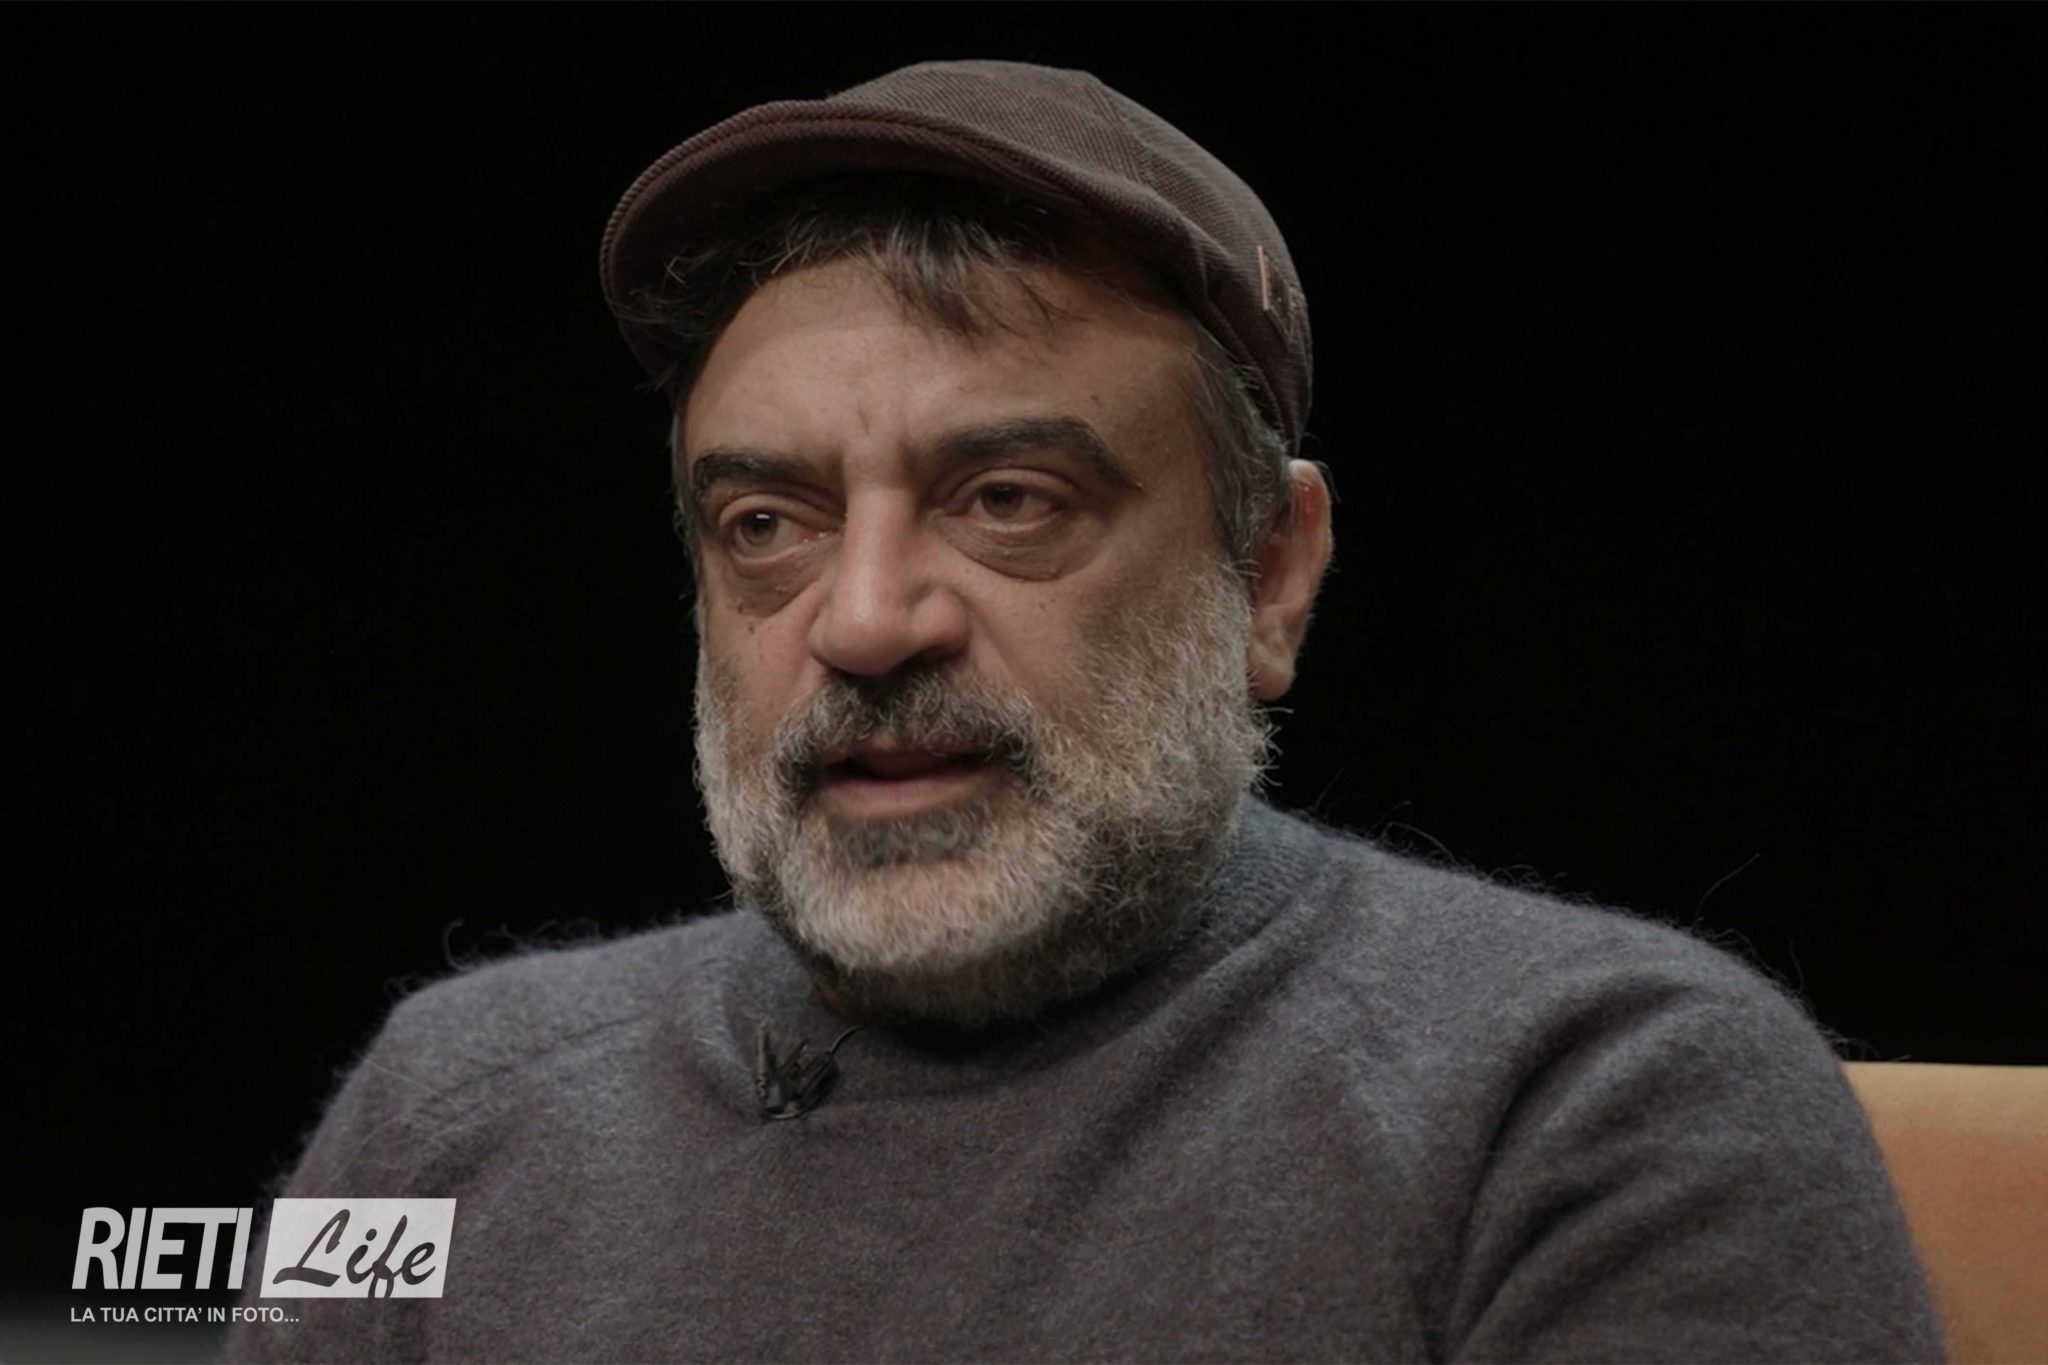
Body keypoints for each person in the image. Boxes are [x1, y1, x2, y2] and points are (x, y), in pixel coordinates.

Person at [230, 60, 1941, 1362]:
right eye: (767, 524)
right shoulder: (434, 1104)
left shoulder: (1604, 1101)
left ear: (1269, 572)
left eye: (1008, 500)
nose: (865, 618)